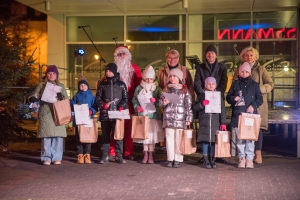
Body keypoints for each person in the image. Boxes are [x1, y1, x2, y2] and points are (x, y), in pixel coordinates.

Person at [232, 46, 274, 164]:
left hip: (257, 104)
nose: (249, 57)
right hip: (242, 105)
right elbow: (235, 83)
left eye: (251, 55)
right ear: (243, 57)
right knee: (243, 128)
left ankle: (258, 153)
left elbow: (270, 84)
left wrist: (258, 90)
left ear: (255, 56)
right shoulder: (239, 68)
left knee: (257, 128)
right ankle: (243, 156)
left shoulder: (261, 69)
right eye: (246, 55)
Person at [194, 44, 228, 164]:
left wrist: (215, 94)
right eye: (208, 53)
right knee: (205, 134)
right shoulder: (200, 67)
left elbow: (223, 83)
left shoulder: (222, 67)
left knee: (215, 134)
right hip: (204, 99)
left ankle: (216, 155)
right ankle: (205, 156)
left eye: (212, 53)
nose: (210, 55)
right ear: (206, 55)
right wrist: (204, 95)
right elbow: (197, 82)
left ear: (216, 55)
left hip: (216, 98)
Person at [29, 65, 68, 165]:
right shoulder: (41, 85)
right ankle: (46, 157)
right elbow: (34, 95)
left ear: (57, 75)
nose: (51, 75)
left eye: (54, 73)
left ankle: (56, 157)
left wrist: (61, 97)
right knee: (46, 136)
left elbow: (66, 100)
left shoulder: (61, 86)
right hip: (46, 112)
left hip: (58, 113)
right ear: (46, 75)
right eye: (49, 73)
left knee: (58, 136)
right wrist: (33, 98)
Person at [108, 46, 142, 161]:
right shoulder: (112, 69)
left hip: (130, 104)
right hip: (115, 104)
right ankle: (112, 151)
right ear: (116, 56)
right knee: (115, 128)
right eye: (119, 54)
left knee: (128, 129)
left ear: (128, 55)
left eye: (124, 54)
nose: (122, 56)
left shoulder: (135, 69)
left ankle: (128, 152)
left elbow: (140, 87)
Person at [226, 62, 263, 169]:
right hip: (238, 115)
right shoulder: (235, 84)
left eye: (246, 71)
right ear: (239, 72)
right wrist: (234, 98)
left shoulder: (255, 85)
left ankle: (249, 158)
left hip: (250, 116)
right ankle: (241, 158)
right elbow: (228, 98)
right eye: (242, 71)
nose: (244, 73)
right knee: (240, 138)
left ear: (249, 72)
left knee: (250, 139)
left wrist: (253, 106)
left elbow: (260, 99)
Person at [159, 68, 193, 168]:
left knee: (178, 139)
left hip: (180, 119)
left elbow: (188, 106)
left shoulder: (184, 90)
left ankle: (177, 158)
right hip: (168, 118)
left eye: (174, 76)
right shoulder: (166, 89)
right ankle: (170, 158)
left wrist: (188, 118)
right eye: (171, 76)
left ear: (179, 78)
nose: (172, 78)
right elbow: (160, 103)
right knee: (169, 138)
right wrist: (164, 103)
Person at [95, 63, 128, 164]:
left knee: (118, 135)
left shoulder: (121, 84)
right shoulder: (102, 84)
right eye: (106, 71)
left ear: (114, 71)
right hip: (105, 114)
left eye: (109, 70)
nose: (107, 72)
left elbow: (125, 98)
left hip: (117, 114)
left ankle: (119, 155)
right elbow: (97, 98)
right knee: (105, 136)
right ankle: (104, 155)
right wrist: (102, 105)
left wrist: (121, 106)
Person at [132, 65, 164, 164]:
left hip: (154, 116)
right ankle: (145, 154)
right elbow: (134, 99)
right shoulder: (139, 88)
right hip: (143, 115)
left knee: (152, 136)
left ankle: (151, 154)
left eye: (151, 78)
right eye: (147, 78)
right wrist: (137, 107)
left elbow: (162, 100)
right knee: (144, 136)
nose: (149, 80)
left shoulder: (157, 88)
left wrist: (156, 101)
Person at [193, 77, 227, 169]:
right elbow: (195, 107)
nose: (211, 85)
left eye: (213, 83)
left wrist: (223, 122)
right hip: (205, 122)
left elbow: (222, 110)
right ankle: (205, 158)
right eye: (209, 84)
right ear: (205, 85)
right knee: (205, 140)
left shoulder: (219, 96)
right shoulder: (201, 96)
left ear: (215, 85)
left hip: (215, 122)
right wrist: (202, 104)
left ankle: (212, 158)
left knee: (213, 141)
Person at [70, 75, 97, 164]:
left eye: (84, 85)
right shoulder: (77, 96)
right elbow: (71, 104)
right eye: (81, 85)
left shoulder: (91, 96)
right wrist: (76, 107)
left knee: (88, 138)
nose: (83, 87)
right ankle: (80, 154)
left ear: (87, 86)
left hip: (88, 119)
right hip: (79, 120)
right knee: (79, 137)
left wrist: (91, 111)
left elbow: (95, 106)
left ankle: (87, 154)